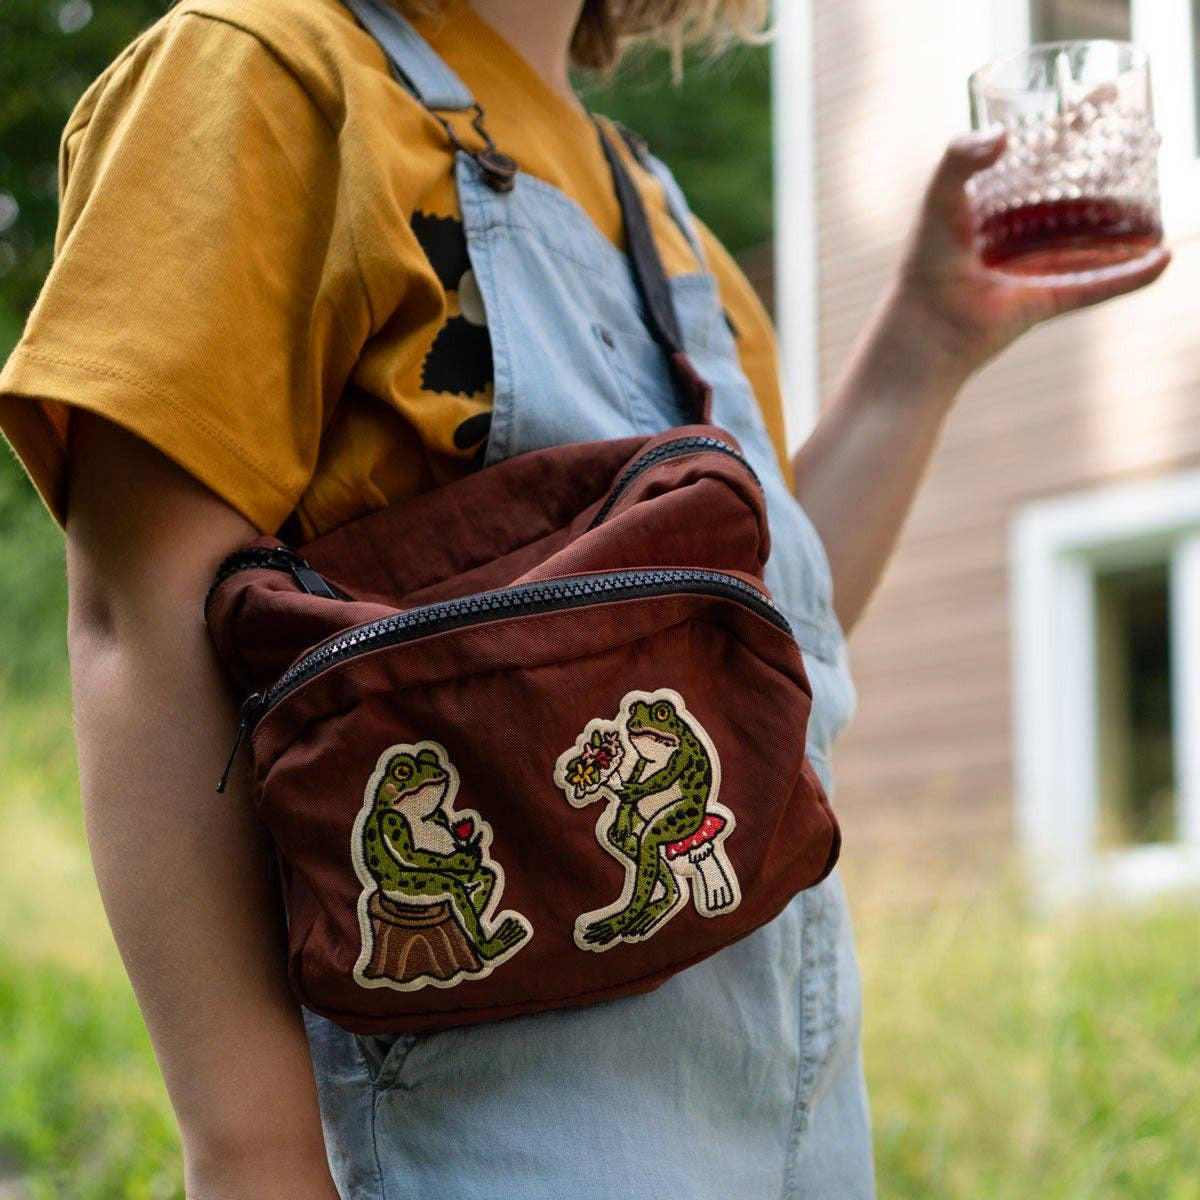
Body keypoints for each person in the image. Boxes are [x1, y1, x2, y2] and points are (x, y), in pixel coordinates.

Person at [0, 0, 1170, 1196]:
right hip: (486, 1136)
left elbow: (767, 639)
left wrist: (928, 339)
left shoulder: (666, 229)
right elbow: (138, 625)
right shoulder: (264, 77)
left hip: (798, 1132)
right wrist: (252, 1158)